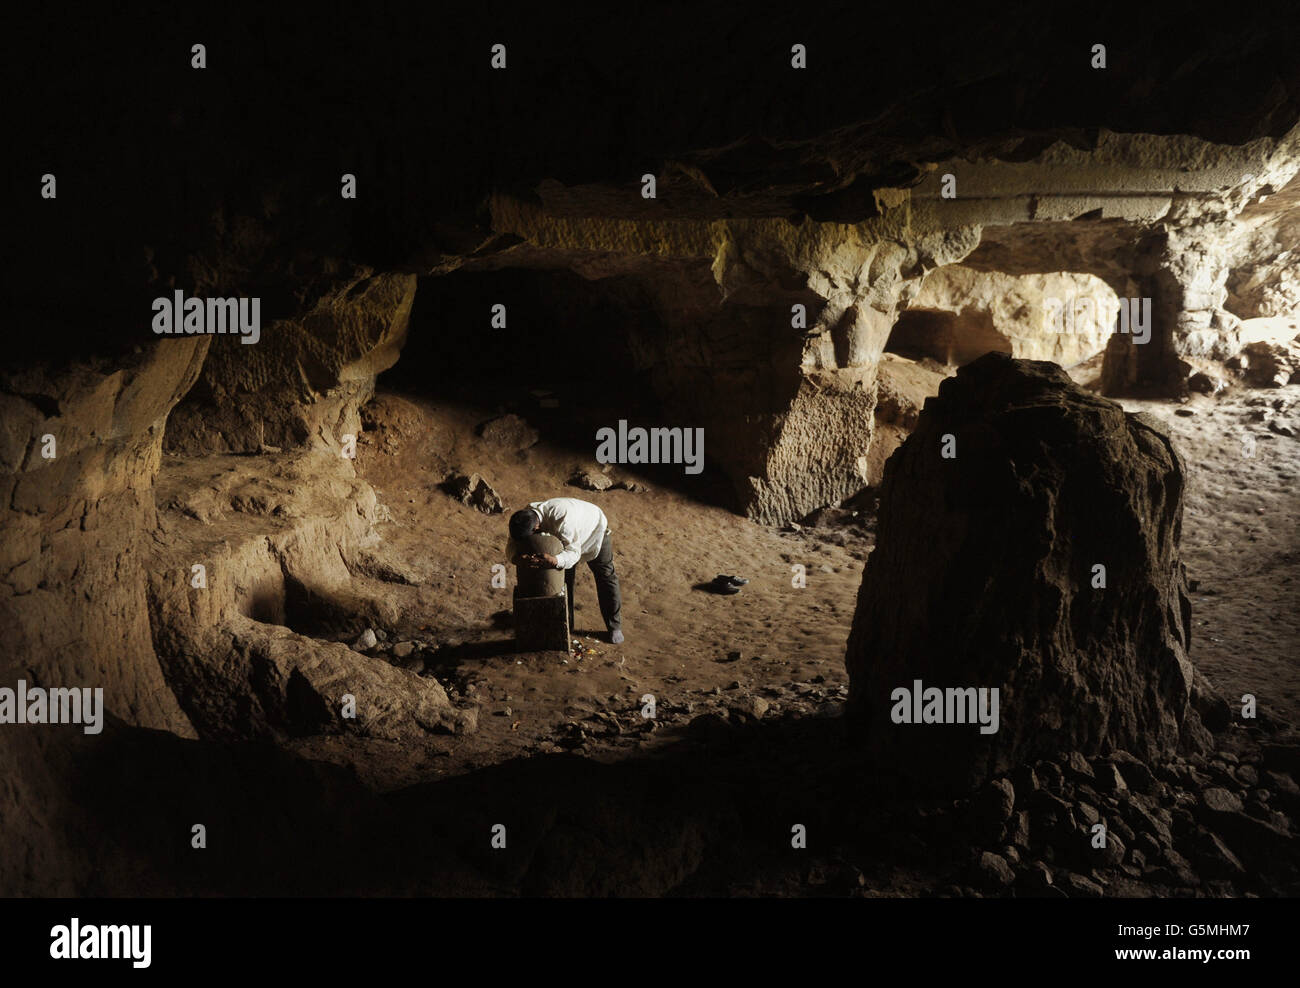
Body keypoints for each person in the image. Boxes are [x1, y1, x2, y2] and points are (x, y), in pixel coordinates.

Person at [507, 497, 623, 644]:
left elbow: (574, 553)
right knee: (563, 579)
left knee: (605, 575)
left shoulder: (562, 519)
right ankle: (567, 624)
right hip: (568, 536)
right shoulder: (522, 519)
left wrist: (555, 560)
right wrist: (517, 558)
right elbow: (511, 545)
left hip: (594, 529)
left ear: (536, 528)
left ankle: (614, 626)